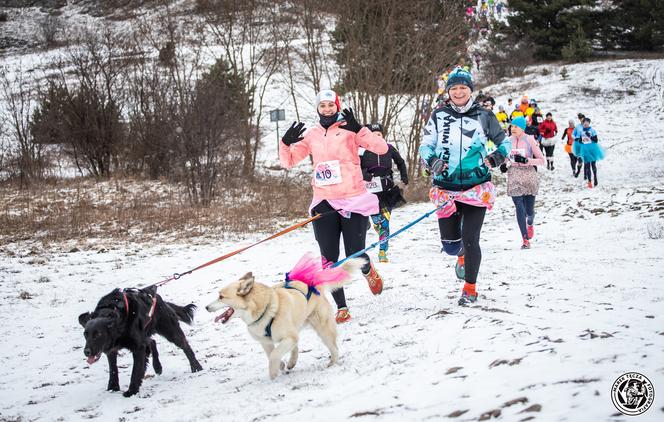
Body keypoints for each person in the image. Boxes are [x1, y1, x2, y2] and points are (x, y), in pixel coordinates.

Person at [279, 89, 388, 323]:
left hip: (353, 199)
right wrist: (285, 143)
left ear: (337, 106)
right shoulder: (312, 135)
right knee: (329, 259)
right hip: (324, 202)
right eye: (323, 105)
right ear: (318, 108)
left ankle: (368, 270)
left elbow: (381, 148)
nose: (327, 109)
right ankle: (342, 307)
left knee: (353, 254)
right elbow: (288, 161)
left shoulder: (349, 130)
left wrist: (361, 130)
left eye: (331, 105)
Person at [419, 67, 510, 306]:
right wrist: (432, 161)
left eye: (463, 87)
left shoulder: (484, 116)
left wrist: (497, 157)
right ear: (448, 91)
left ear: (470, 90)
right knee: (450, 246)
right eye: (454, 88)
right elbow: (426, 145)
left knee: (471, 238)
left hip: (475, 187)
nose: (459, 92)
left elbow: (505, 141)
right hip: (445, 187)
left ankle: (470, 288)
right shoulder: (438, 115)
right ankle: (458, 255)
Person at [360, 123, 409, 263]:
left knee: (385, 223)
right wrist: (365, 174)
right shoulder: (363, 149)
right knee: (377, 222)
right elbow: (354, 165)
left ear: (382, 136)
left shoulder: (388, 148)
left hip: (387, 191)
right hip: (370, 193)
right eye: (373, 134)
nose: (376, 137)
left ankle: (383, 251)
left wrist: (404, 176)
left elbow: (400, 162)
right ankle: (371, 223)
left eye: (379, 134)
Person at [499, 116, 546, 249]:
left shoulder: (529, 139)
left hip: (528, 176)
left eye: (515, 126)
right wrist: (504, 165)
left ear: (522, 128)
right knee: (519, 206)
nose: (512, 128)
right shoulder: (508, 141)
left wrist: (527, 161)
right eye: (511, 126)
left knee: (529, 211)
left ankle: (530, 222)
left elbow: (542, 160)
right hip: (514, 175)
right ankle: (525, 239)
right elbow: (505, 158)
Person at [573, 117, 605, 188]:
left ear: (589, 123)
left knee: (593, 165)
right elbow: (581, 141)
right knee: (587, 166)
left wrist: (589, 136)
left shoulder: (592, 130)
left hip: (593, 149)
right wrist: (580, 140)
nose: (585, 124)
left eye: (587, 123)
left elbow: (596, 140)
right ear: (583, 124)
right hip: (585, 149)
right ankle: (589, 181)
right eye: (584, 123)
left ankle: (595, 178)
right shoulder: (581, 131)